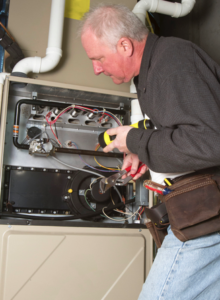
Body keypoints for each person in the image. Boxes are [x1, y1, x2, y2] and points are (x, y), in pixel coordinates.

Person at [80, 4, 220, 300]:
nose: (96, 68)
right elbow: (182, 128)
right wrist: (141, 147)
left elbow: (210, 143)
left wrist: (136, 141)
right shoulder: (154, 70)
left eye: (99, 58)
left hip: (208, 214)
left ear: (125, 45)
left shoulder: (173, 64)